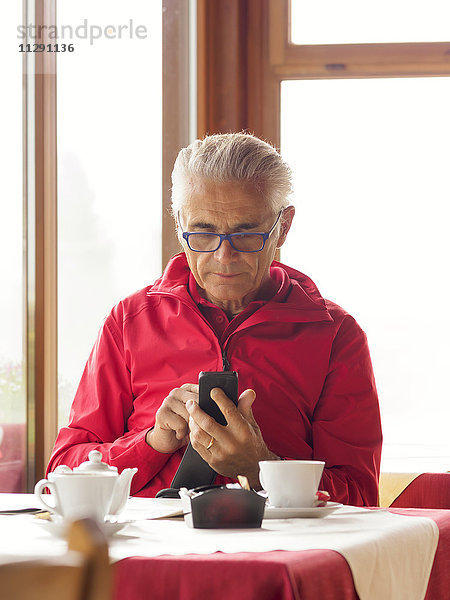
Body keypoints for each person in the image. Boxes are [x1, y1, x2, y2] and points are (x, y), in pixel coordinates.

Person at [48, 133, 382, 505]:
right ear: (179, 225)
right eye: (203, 234)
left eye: (246, 234)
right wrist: (150, 443)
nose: (224, 257)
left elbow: (361, 496)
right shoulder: (128, 322)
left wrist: (262, 468)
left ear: (283, 227)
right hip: (150, 551)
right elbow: (64, 471)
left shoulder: (336, 335)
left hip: (277, 554)